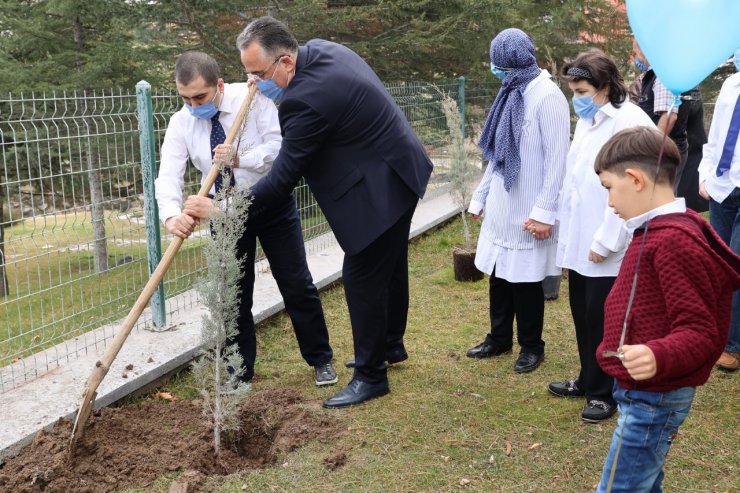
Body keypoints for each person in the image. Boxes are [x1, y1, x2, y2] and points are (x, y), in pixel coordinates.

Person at [235, 17, 433, 408]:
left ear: (286, 62)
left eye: (258, 73)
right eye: (247, 74)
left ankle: (371, 376)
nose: (254, 83)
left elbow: (280, 181)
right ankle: (390, 344)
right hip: (398, 167)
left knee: (362, 278)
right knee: (390, 267)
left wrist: (226, 210)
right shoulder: (323, 48)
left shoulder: (302, 100)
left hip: (381, 187)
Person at [155, 51, 337, 388]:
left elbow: (281, 146)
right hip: (222, 213)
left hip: (269, 204)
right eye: (186, 99)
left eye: (200, 97)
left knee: (297, 284)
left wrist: (241, 158)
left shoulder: (252, 96)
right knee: (234, 296)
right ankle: (239, 372)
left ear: (219, 85)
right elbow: (168, 174)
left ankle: (321, 359)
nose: (194, 106)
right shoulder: (181, 122)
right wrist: (171, 215)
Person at [593, 126, 740, 492]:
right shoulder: (659, 229)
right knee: (642, 481)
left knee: (619, 488)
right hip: (644, 392)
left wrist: (658, 354)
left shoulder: (673, 240)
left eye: (609, 188)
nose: (610, 202)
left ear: (635, 179)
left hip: (653, 397)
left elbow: (701, 331)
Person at [550, 48, 654, 423]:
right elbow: (577, 177)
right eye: (573, 91)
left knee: (604, 318)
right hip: (582, 235)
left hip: (609, 242)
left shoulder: (629, 123)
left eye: (581, 91)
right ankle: (586, 377)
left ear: (605, 86)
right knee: (582, 312)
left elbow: (635, 189)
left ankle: (605, 393)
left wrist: (606, 240)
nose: (576, 99)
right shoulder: (590, 120)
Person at [464, 28, 569, 374]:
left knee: (525, 281)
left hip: (528, 208)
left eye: (498, 66)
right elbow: (497, 156)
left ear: (511, 64)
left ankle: (531, 346)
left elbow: (557, 161)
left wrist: (544, 212)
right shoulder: (511, 91)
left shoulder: (547, 96)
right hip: (502, 204)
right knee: (498, 274)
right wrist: (480, 198)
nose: (495, 71)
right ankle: (499, 338)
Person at [698, 49, 740, 371]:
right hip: (722, 187)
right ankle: (714, 333)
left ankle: (731, 345)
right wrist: (706, 174)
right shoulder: (730, 85)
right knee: (718, 263)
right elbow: (714, 135)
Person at [633, 39, 690, 194]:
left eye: (636, 52)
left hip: (663, 149)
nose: (636, 58)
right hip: (661, 147)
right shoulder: (653, 75)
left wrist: (652, 148)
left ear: (644, 50)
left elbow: (669, 116)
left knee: (659, 197)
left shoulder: (662, 75)